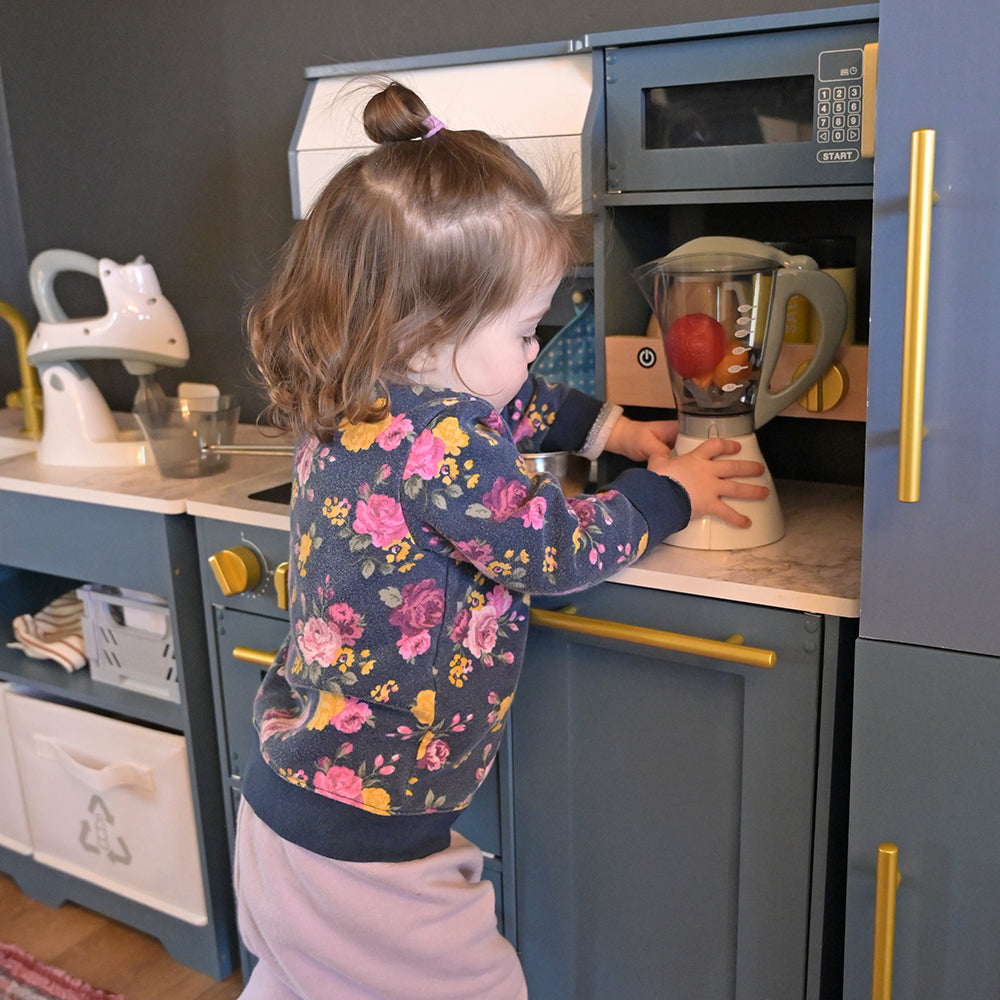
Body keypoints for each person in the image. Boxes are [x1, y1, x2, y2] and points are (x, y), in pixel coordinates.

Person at [235, 81, 768, 1000]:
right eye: (526, 328)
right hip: (368, 839)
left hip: (291, 807)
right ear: (435, 330)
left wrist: (617, 431)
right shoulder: (444, 438)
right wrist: (664, 491)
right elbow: (553, 551)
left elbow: (524, 405)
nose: (536, 349)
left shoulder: (361, 401)